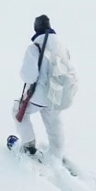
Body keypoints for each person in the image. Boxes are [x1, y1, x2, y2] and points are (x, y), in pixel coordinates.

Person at [10, 14, 67, 161]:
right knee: (54, 121)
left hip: (38, 96)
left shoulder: (34, 48)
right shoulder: (61, 46)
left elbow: (29, 76)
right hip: (56, 95)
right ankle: (57, 152)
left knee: (19, 111)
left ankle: (29, 145)